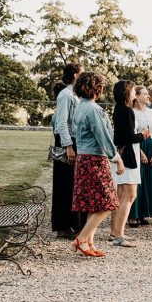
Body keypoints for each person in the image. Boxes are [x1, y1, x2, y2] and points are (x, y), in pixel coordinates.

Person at [70, 72, 125, 257]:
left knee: (95, 203)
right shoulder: (93, 109)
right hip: (94, 159)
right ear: (97, 88)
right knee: (106, 203)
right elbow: (103, 136)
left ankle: (88, 242)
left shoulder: (81, 107)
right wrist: (116, 157)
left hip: (84, 158)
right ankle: (81, 239)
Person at [110, 81, 151, 247]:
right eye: (134, 89)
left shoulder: (119, 109)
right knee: (130, 195)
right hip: (127, 156)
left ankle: (115, 232)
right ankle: (119, 236)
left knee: (120, 195)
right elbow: (126, 137)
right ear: (127, 92)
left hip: (123, 154)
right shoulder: (127, 111)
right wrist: (142, 135)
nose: (135, 92)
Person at [50, 63, 85, 239]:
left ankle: (73, 223)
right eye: (82, 73)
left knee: (73, 184)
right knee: (64, 184)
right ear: (75, 75)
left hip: (74, 141)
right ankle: (62, 225)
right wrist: (68, 146)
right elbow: (61, 123)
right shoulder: (65, 95)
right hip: (66, 142)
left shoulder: (75, 95)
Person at [128, 86, 152, 226]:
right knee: (138, 182)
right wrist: (140, 153)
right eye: (145, 94)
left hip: (151, 146)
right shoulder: (132, 112)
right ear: (137, 96)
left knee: (149, 181)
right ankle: (133, 215)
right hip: (138, 147)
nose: (148, 96)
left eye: (148, 94)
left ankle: (144, 213)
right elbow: (133, 134)